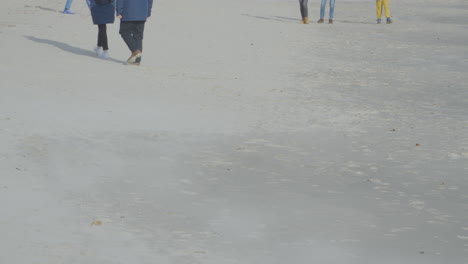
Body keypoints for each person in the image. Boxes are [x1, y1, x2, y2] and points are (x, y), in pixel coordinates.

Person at [116, 0, 153, 66]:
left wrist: (119, 11)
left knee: (124, 32)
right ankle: (137, 60)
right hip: (142, 12)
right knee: (138, 36)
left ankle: (135, 50)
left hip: (128, 11)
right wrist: (148, 11)